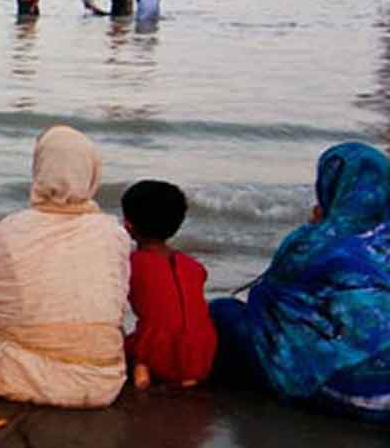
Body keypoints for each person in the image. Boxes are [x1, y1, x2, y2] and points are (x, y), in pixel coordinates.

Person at [210, 143, 390, 423]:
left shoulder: (316, 240)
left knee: (224, 312)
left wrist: (313, 227)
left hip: (343, 391)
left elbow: (270, 292)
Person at [0, 125, 130, 408]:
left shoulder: (11, 230)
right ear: (91, 171)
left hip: (25, 379)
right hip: (103, 380)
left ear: (39, 168)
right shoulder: (112, 233)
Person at [121, 180, 216, 389]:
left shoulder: (131, 264)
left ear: (128, 225)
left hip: (159, 352)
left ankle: (142, 369)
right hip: (203, 353)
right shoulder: (193, 266)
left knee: (133, 339)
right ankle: (187, 377)